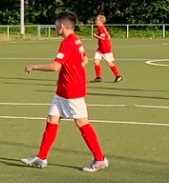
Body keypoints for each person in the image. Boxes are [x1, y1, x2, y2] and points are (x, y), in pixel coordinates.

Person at [22, 13, 108, 171]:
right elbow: (84, 60)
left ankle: (99, 159)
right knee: (52, 118)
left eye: (56, 24)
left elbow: (55, 66)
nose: (55, 27)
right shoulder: (76, 40)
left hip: (71, 90)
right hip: (63, 89)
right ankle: (41, 157)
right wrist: (72, 71)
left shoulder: (68, 43)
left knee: (82, 122)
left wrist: (33, 67)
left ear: (61, 26)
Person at [91, 14, 121, 83]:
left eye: (97, 20)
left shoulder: (101, 28)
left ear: (100, 21)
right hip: (100, 48)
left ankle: (118, 76)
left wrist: (95, 36)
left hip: (106, 49)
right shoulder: (101, 28)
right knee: (96, 61)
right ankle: (98, 77)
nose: (95, 21)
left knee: (109, 63)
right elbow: (108, 36)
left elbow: (103, 38)